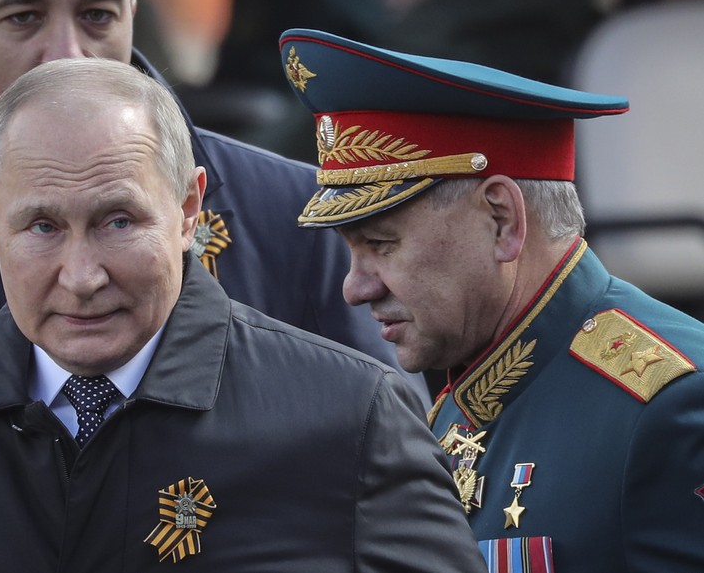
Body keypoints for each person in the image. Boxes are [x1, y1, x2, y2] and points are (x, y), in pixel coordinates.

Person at [0, 57, 486, 572]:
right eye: (41, 226)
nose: (82, 276)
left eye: (118, 220)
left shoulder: (350, 419)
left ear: (188, 210)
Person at [0, 0, 430, 482]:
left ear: (132, 19)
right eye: (24, 17)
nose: (67, 52)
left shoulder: (292, 214)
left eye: (97, 15)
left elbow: (384, 468)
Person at [279, 28, 704, 572]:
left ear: (502, 219)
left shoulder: (670, 405)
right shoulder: (459, 400)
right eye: (352, 252)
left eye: (381, 244)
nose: (355, 287)